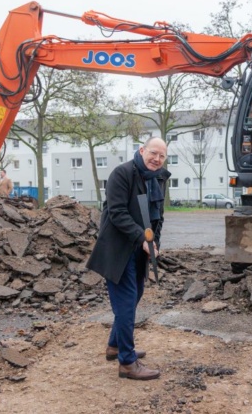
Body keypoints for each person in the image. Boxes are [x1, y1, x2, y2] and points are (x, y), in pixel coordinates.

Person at [86, 137, 171, 381]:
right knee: (125, 306)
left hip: (140, 250)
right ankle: (127, 362)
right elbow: (117, 213)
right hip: (118, 250)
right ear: (142, 150)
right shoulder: (121, 174)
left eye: (161, 156)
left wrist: (155, 243)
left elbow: (158, 217)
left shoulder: (158, 178)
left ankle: (114, 346)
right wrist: (142, 239)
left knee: (133, 299)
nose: (156, 159)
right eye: (153, 153)